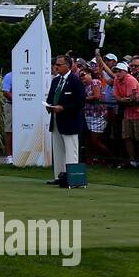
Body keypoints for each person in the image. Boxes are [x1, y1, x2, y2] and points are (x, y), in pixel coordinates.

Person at [45, 55, 87, 187]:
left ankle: (73, 178)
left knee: (71, 150)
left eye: (59, 65)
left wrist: (63, 108)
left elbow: (80, 103)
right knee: (58, 150)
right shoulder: (56, 81)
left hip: (70, 121)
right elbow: (51, 97)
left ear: (67, 66)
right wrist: (49, 106)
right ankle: (59, 176)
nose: (56, 67)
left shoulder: (75, 81)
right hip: (56, 120)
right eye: (55, 64)